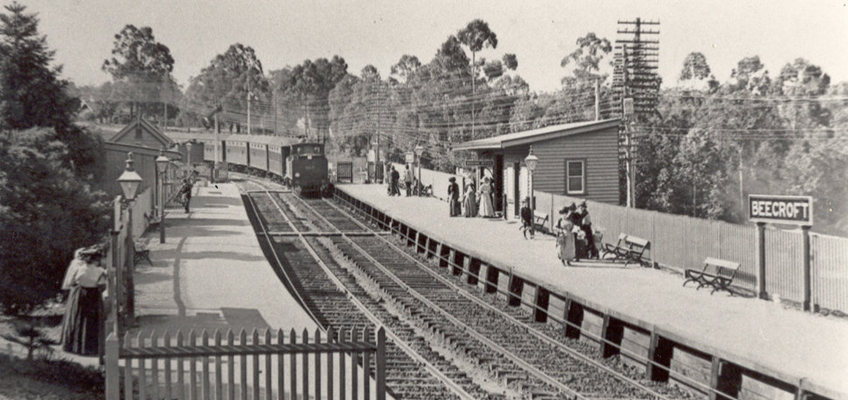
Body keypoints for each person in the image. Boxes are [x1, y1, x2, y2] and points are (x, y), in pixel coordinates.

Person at [61, 247, 106, 356]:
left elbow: (71, 282)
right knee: (91, 320)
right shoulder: (100, 271)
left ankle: (74, 346)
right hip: (93, 295)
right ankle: (90, 347)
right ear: (96, 260)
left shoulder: (79, 269)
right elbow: (102, 286)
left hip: (80, 294)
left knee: (78, 317)